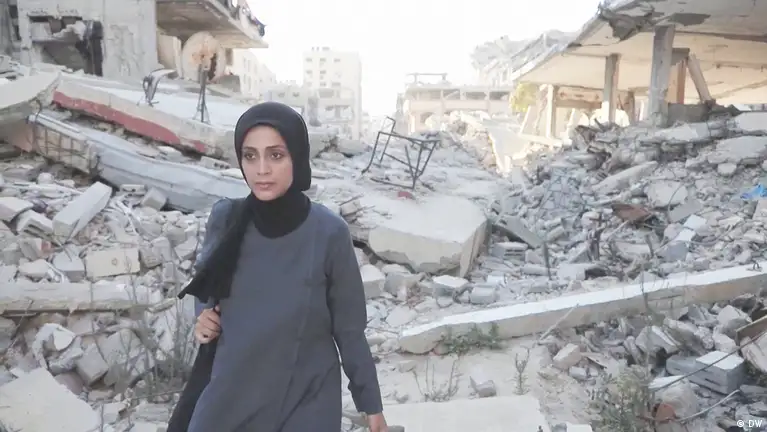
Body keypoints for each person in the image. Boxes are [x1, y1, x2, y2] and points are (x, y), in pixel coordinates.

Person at [180, 102, 388, 431]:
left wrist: (370, 405)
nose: (261, 169)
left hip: (306, 398)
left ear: (297, 156)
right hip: (234, 391)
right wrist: (203, 317)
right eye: (250, 156)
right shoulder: (227, 219)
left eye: (276, 155)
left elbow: (349, 329)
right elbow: (207, 287)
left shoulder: (328, 232)